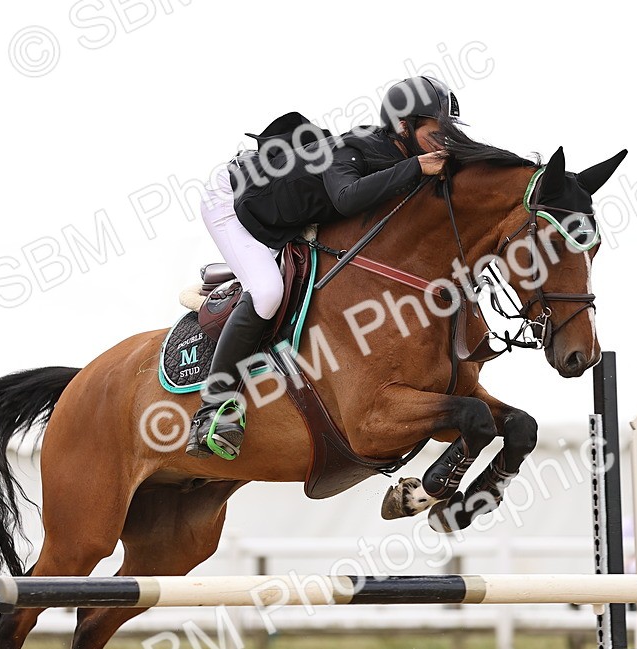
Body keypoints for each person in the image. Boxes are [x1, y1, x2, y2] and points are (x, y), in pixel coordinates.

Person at [187, 75, 460, 460]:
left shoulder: (398, 156)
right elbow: (347, 198)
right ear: (404, 125)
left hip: (283, 214)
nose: (444, 142)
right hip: (230, 200)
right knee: (267, 292)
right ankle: (212, 409)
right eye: (437, 131)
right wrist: (417, 167)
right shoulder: (352, 148)